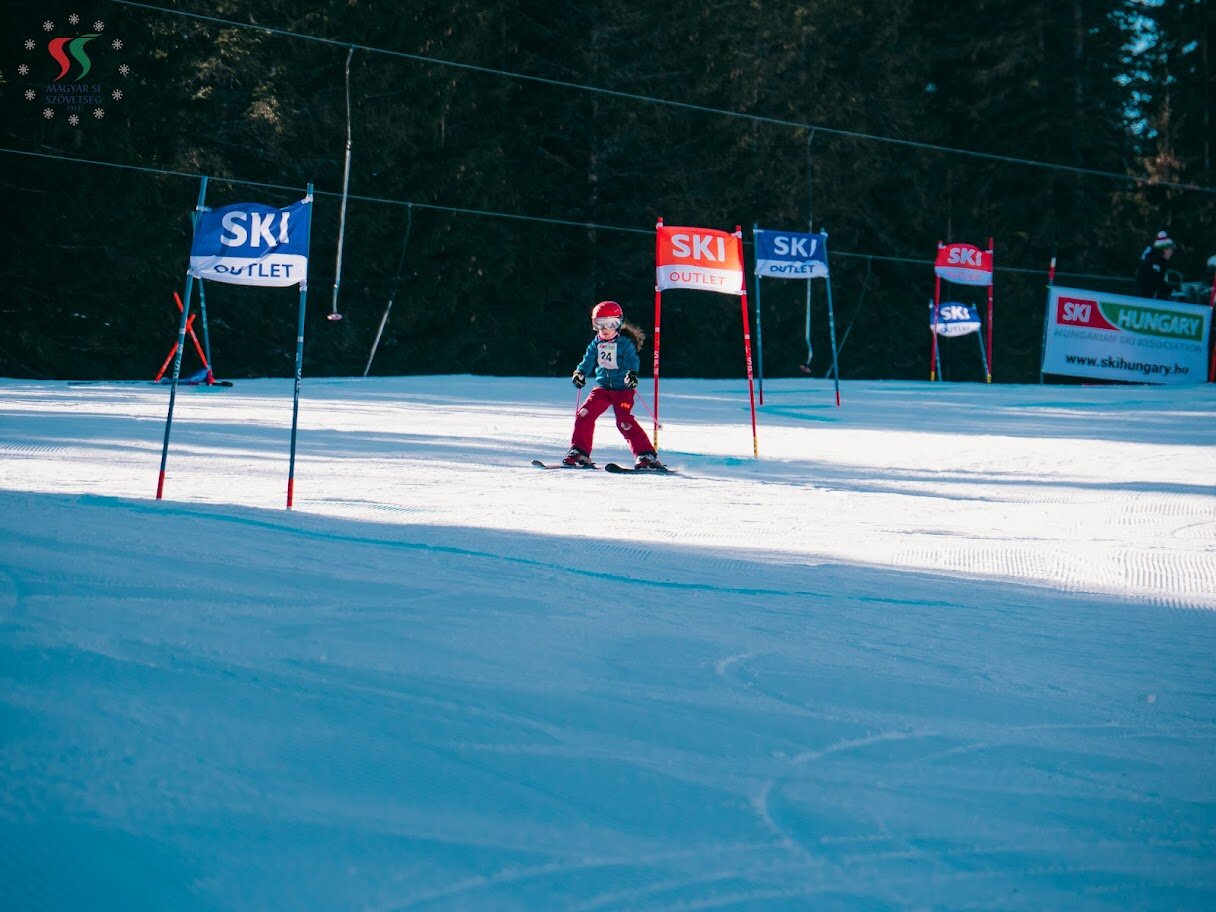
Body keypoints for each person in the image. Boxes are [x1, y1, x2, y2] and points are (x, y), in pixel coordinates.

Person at [564, 301, 665, 469]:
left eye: (610, 323)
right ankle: (580, 451)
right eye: (599, 324)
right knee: (584, 414)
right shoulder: (596, 343)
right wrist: (580, 373)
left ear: (618, 324)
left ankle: (646, 454)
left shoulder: (624, 343)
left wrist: (632, 373)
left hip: (622, 390)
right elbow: (587, 360)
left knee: (624, 422)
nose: (605, 329)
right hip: (603, 389)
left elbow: (633, 360)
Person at [1135, 230, 1176, 300]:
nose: (1172, 252)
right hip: (1146, 300)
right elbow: (1152, 283)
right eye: (1170, 250)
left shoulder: (1161, 262)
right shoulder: (1155, 261)